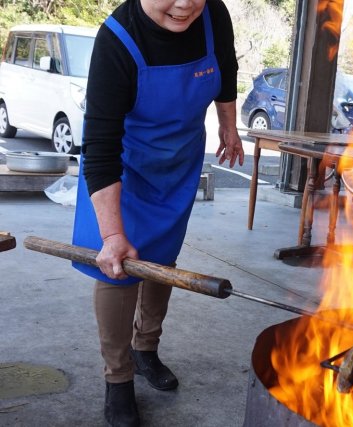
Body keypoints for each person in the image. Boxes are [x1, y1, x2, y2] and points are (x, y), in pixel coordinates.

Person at [72, 0, 244, 425]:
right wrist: (111, 235)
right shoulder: (116, 39)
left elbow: (226, 70)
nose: (185, 4)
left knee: (162, 261)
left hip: (177, 163)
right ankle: (117, 378)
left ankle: (145, 348)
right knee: (119, 269)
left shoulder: (213, 14)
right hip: (123, 172)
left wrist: (228, 125)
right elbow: (100, 149)